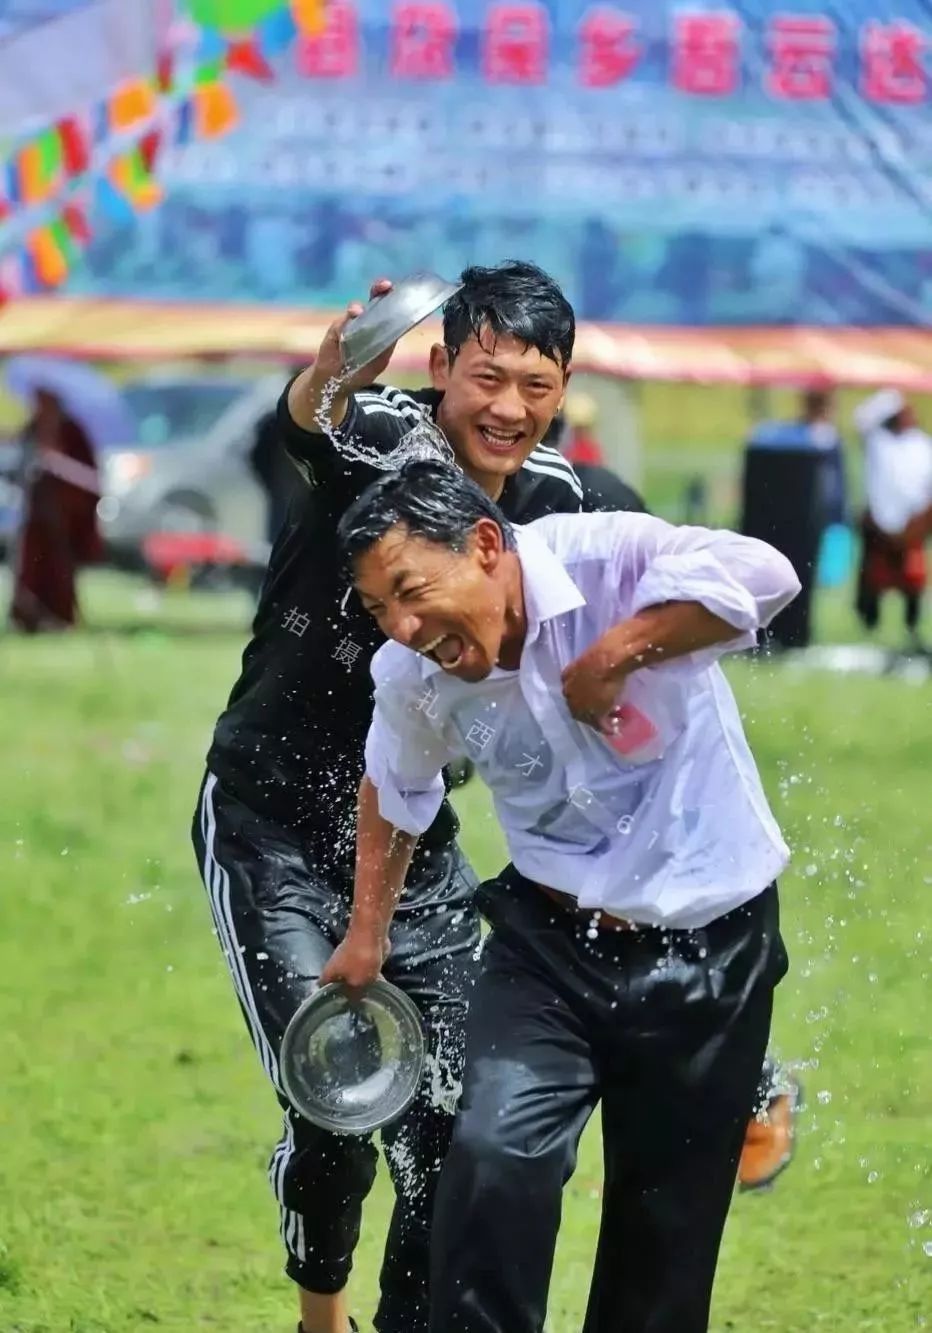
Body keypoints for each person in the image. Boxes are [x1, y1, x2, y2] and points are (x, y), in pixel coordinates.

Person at [191, 261, 587, 1333]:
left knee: (451, 1116)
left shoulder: (555, 500)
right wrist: (333, 365)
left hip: (412, 835)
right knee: (336, 1094)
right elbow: (306, 420)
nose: (508, 409)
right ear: (441, 365)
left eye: (536, 385)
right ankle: (321, 1316)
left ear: (562, 388)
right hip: (269, 822)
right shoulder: (380, 436)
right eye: (487, 378)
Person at [323, 460, 800, 1333]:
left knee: (663, 1238)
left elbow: (767, 575)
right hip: (547, 945)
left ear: (485, 544)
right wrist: (366, 936)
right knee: (494, 1154)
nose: (402, 626)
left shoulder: (606, 558)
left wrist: (615, 655)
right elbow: (395, 785)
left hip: (711, 947)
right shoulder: (411, 674)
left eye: (410, 591)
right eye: (378, 608)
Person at [740, 386, 847, 650]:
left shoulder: (819, 439)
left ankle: (782, 634)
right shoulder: (816, 440)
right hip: (801, 522)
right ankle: (784, 635)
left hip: (796, 522)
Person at [8, 388, 101, 632]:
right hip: (36, 506)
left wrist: (55, 458)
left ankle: (59, 615)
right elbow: (19, 452)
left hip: (64, 509)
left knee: (58, 562)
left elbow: (86, 474)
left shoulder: (72, 431)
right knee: (30, 560)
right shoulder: (34, 426)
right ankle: (27, 614)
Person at [853, 389, 932, 652]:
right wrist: (892, 397)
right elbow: (862, 419)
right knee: (873, 578)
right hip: (880, 523)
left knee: (913, 579)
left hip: (913, 524)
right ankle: (868, 626)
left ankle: (912, 627)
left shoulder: (922, 444)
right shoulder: (879, 441)